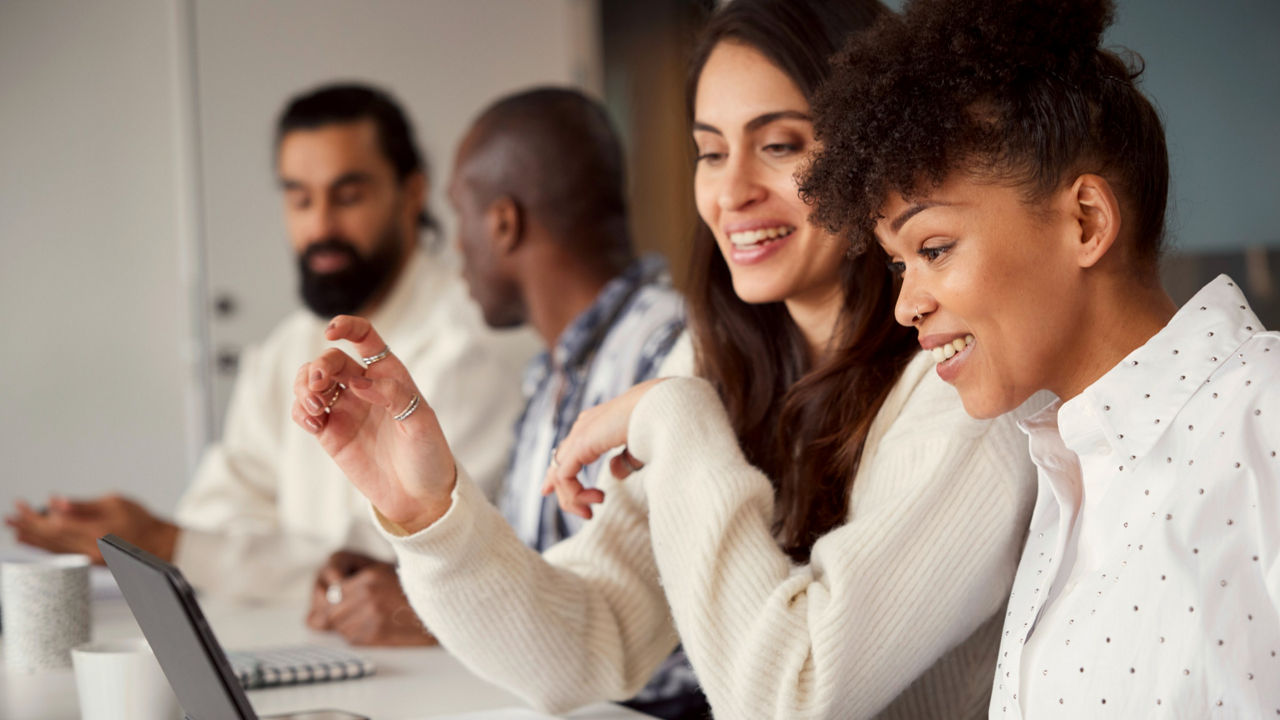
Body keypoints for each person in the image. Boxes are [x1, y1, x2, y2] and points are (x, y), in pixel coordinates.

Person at [291, 1, 1044, 717]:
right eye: (711, 151)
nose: (732, 190)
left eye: (780, 145)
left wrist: (675, 419)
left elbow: (792, 697)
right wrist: (429, 512)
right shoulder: (722, 360)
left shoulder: (964, 383)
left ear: (877, 152)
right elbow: (588, 645)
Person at [798, 0, 1280, 716]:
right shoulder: (1066, 471)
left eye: (933, 249)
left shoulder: (1263, 418)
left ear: (1086, 221)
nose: (906, 305)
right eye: (901, 266)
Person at [6, 84, 535, 621]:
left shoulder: (472, 341)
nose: (321, 226)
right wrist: (182, 544)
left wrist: (174, 543)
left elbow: (393, 563)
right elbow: (215, 512)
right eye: (300, 198)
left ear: (412, 193)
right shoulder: (288, 347)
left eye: (348, 196)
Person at [300, 87, 698, 715]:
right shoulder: (551, 372)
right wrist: (415, 557)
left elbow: (628, 637)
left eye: (459, 215)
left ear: (503, 222)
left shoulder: (671, 354)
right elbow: (541, 585)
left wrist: (432, 611)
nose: (454, 246)